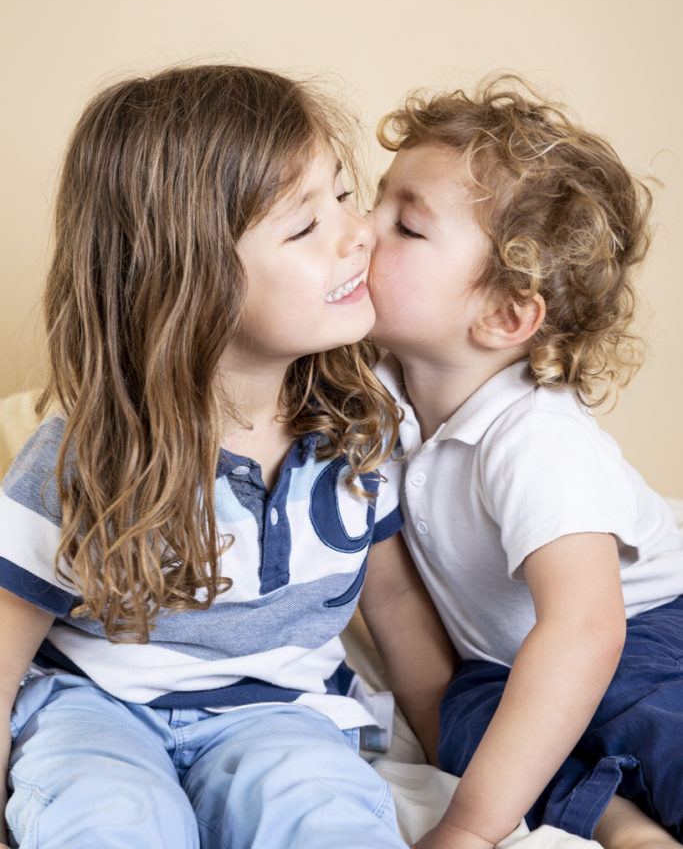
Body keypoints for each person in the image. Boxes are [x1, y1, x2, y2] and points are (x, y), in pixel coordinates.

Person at [0, 64, 455, 849]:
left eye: (343, 195)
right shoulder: (77, 462)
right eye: (305, 226)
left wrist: (469, 771)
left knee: (325, 814)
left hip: (279, 714)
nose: (359, 233)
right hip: (94, 710)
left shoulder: (359, 428)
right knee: (112, 821)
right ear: (191, 283)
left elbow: (399, 612)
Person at [367, 73, 683, 849]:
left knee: (654, 726)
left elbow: (583, 628)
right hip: (506, 659)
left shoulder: (535, 436)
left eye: (404, 227)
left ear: (504, 315)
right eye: (369, 200)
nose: (356, 230)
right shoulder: (370, 392)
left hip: (640, 631)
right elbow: (399, 609)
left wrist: (473, 829)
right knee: (465, 717)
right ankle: (617, 823)